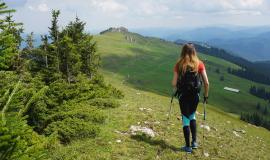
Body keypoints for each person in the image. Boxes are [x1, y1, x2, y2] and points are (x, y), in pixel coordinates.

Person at [172, 43, 209, 153]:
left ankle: (188, 147)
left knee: (185, 119)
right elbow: (206, 83)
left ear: (183, 52)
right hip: (195, 96)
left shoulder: (179, 64)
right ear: (194, 52)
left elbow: (173, 83)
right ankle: (194, 142)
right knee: (192, 115)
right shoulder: (199, 64)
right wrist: (206, 96)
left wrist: (176, 88)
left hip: (183, 96)